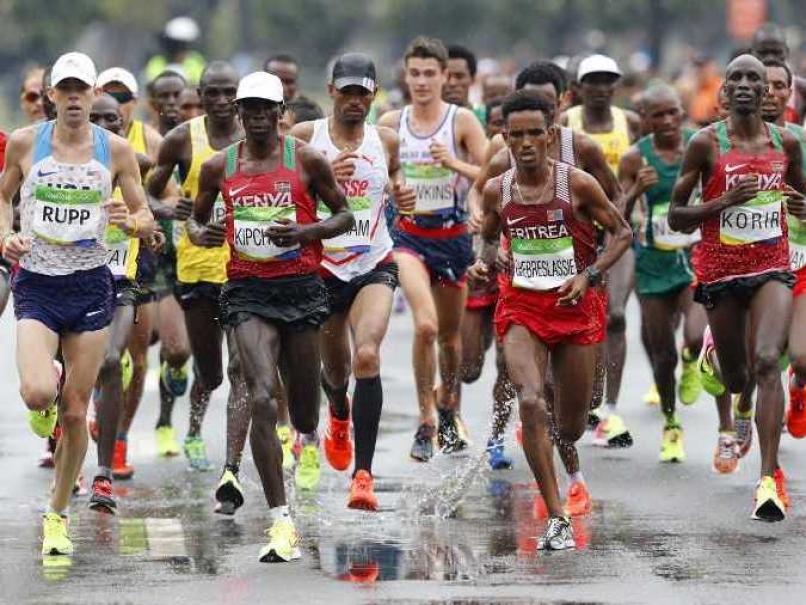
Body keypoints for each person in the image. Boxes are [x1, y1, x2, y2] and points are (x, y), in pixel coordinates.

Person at [188, 70, 352, 560]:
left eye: (267, 109)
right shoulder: (219, 167)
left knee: (302, 413)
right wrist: (202, 234)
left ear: (281, 113)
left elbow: (344, 215)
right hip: (246, 291)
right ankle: (280, 523)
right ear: (238, 113)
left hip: (300, 290)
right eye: (249, 109)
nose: (258, 117)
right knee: (261, 395)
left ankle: (315, 424)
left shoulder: (307, 160)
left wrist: (306, 233)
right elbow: (197, 219)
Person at [0, 52, 155, 555]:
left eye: (80, 89)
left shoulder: (115, 151)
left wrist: (130, 220)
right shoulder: (26, 144)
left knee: (74, 412)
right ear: (50, 95)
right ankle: (43, 405)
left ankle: (57, 513)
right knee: (38, 393)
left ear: (92, 94)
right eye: (63, 89)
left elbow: (145, 218)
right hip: (38, 285)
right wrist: (6, 234)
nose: (71, 98)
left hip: (90, 286)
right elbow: (3, 197)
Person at [474, 90, 631, 550]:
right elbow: (487, 239)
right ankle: (557, 515)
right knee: (528, 398)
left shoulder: (577, 184)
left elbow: (622, 233)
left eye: (534, 134)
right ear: (504, 136)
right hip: (522, 307)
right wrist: (483, 262)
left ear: (551, 134)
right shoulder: (495, 190)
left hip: (574, 308)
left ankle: (558, 443)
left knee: (572, 426)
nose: (525, 143)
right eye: (515, 134)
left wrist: (591, 273)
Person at [670, 53, 806, 522]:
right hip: (721, 273)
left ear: (768, 91)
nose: (747, 85)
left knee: (769, 361)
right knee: (737, 378)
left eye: (755, 78)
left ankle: (767, 481)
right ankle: (733, 387)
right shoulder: (704, 145)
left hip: (773, 267)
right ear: (724, 91)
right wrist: (723, 201)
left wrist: (802, 207)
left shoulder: (786, 143)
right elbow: (676, 215)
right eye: (737, 78)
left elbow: (801, 196)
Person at [290, 53, 416, 509]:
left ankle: (364, 476)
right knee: (336, 372)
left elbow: (397, 184)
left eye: (364, 92)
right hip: (323, 267)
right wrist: (321, 183)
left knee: (367, 355)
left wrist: (404, 194)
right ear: (331, 92)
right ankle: (338, 414)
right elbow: (280, 194)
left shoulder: (386, 140)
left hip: (372, 261)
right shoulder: (306, 138)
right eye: (347, 92)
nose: (355, 101)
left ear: (374, 94)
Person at [378, 37, 487, 461]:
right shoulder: (390, 122)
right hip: (408, 237)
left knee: (449, 338)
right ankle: (425, 419)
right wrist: (394, 188)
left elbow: (489, 172)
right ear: (406, 76)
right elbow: (374, 178)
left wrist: (453, 164)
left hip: (453, 237)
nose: (422, 82)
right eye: (415, 73)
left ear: (445, 76)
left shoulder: (461, 122)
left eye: (430, 74)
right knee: (424, 327)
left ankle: (449, 409)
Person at [147, 61, 247, 473]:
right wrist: (171, 210)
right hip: (196, 269)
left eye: (229, 93)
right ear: (200, 96)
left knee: (244, 367)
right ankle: (189, 427)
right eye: (213, 93)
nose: (222, 101)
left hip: (246, 270)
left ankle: (228, 462)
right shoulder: (181, 140)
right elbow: (147, 197)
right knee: (212, 371)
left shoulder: (255, 136)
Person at [617, 85, 705, 463]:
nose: (668, 121)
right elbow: (616, 212)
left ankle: (693, 361)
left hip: (694, 258)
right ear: (646, 120)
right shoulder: (635, 157)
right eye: (659, 115)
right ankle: (672, 423)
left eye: (674, 112)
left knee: (695, 336)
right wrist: (637, 189)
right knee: (662, 356)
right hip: (653, 264)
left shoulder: (699, 145)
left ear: (683, 112)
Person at [562, 54, 641, 444]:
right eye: (592, 80)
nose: (600, 87)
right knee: (580, 315)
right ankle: (583, 398)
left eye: (607, 80)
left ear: (617, 84)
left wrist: (627, 211)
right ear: (578, 87)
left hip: (619, 228)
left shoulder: (631, 123)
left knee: (617, 315)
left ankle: (609, 408)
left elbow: (637, 177)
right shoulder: (567, 125)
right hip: (577, 232)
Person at [97, 66, 171, 476]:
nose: (113, 112)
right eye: (105, 100)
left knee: (135, 356)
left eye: (121, 100)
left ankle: (119, 438)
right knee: (92, 354)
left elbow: (167, 200)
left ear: (132, 104)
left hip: (135, 258)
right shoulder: (66, 143)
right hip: (83, 263)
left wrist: (148, 221)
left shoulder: (148, 146)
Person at [88, 94, 161, 503]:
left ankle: (105, 466)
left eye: (111, 119)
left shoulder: (130, 163)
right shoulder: (66, 169)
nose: (102, 126)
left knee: (114, 359)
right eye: (94, 119)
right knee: (70, 378)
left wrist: (138, 224)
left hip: (121, 283)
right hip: (72, 280)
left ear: (123, 121)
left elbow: (148, 207)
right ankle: (68, 434)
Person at [759, 59, 806, 445]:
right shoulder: (725, 143)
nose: (771, 92)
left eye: (779, 85)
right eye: (765, 84)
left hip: (800, 262)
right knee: (761, 362)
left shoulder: (799, 143)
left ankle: (800, 388)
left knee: (801, 358)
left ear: (790, 93)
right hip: (754, 267)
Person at [751, 23, 806, 123]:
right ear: (751, 52)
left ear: (787, 52)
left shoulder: (802, 90)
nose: (770, 58)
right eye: (763, 52)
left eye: (776, 52)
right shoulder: (739, 89)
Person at [145, 16, 206, 85]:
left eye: (184, 46)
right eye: (176, 45)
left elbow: (201, 83)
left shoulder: (196, 62)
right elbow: (152, 84)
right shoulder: (157, 62)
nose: (180, 50)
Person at [444, 44, 486, 124]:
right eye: (447, 76)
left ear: (473, 79)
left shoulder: (487, 117)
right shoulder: (425, 118)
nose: (452, 83)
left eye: (459, 76)